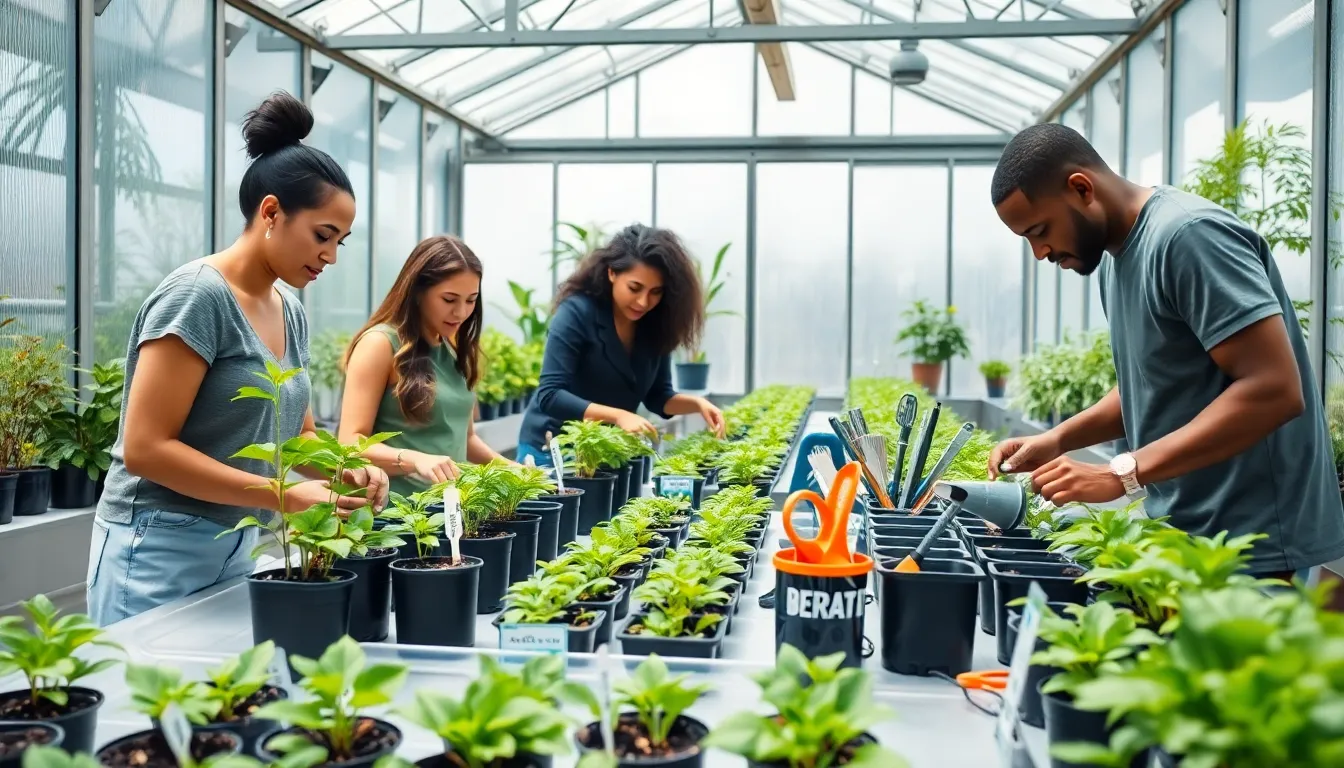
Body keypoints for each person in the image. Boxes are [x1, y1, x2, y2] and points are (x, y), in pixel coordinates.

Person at [985, 122, 1344, 582]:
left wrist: (1121, 475)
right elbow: (1147, 384)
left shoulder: (1189, 236)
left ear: (1081, 188)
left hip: (1251, 543)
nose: (1039, 252)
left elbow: (1274, 389)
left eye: (1039, 230)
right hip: (1185, 530)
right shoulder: (1113, 267)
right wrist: (1057, 439)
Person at [87, 92, 389, 626]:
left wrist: (347, 470)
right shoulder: (198, 296)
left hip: (238, 540)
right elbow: (145, 449)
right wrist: (283, 494)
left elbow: (298, 436)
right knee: (151, 705)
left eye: (340, 241)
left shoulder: (289, 310)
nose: (331, 256)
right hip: (156, 543)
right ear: (271, 211)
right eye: (323, 235)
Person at [517, 224, 726, 465]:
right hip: (551, 448)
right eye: (634, 288)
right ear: (612, 273)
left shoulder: (655, 324)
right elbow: (550, 395)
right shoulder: (577, 312)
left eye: (656, 292)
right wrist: (619, 416)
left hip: (605, 451)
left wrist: (698, 404)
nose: (643, 301)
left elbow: (658, 396)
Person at [339, 235, 508, 497]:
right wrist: (415, 460)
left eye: (471, 300)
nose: (461, 313)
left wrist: (514, 471)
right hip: (396, 518)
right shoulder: (380, 344)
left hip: (450, 515)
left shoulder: (451, 347)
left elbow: (466, 439)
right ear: (417, 292)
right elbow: (350, 443)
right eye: (449, 300)